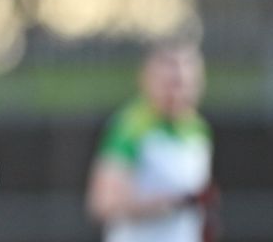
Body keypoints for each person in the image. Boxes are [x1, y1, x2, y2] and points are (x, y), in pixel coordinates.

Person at [87, 40, 217, 242]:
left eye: (183, 82)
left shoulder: (199, 130)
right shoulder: (129, 127)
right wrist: (166, 205)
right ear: (148, 78)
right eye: (170, 82)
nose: (177, 92)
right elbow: (103, 203)